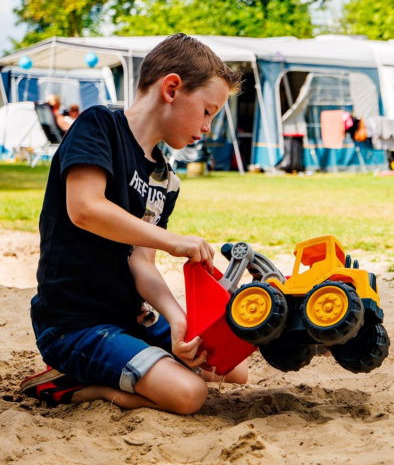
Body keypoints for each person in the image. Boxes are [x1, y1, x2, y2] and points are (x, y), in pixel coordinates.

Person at [19, 34, 248, 412]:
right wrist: (173, 241)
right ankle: (74, 385)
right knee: (190, 394)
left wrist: (177, 320)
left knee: (231, 369)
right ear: (171, 88)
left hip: (129, 318)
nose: (208, 126)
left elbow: (141, 262)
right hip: (74, 325)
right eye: (207, 111)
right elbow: (85, 209)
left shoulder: (165, 177)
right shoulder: (99, 126)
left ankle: (135, 361)